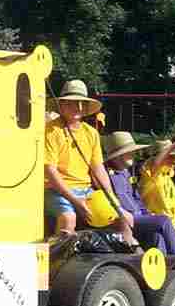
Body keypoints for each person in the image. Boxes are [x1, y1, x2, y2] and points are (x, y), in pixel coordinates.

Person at [44, 80, 136, 244]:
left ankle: (124, 259)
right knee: (68, 218)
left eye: (82, 103)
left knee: (125, 217)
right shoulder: (51, 130)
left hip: (86, 191)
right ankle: (56, 265)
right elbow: (50, 171)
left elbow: (98, 168)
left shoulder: (91, 133)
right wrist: (74, 200)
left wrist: (110, 196)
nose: (78, 108)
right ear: (62, 104)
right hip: (55, 191)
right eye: (73, 103)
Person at [103, 131, 175, 255]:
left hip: (140, 217)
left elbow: (136, 198)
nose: (133, 154)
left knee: (157, 237)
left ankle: (162, 269)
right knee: (163, 220)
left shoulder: (126, 173)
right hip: (126, 219)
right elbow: (105, 200)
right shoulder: (105, 174)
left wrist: (147, 214)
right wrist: (121, 213)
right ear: (118, 155)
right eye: (130, 152)